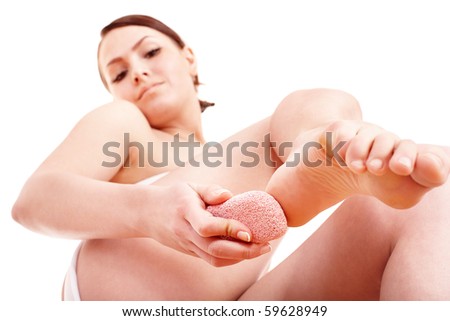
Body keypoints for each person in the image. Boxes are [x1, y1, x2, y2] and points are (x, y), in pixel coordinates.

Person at [12, 14, 450, 300]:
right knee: (306, 104)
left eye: (150, 52)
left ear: (188, 58)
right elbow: (34, 201)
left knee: (428, 199)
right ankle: (312, 147)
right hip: (124, 299)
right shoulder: (125, 122)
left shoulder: (216, 160)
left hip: (238, 304)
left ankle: (316, 146)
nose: (138, 72)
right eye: (120, 73)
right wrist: (153, 212)